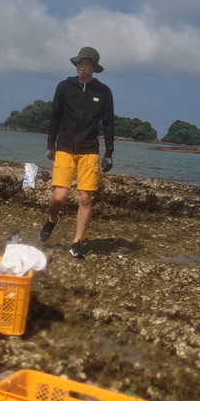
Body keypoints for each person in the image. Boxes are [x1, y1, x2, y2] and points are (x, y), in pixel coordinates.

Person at [40, 45, 114, 259]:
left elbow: (108, 122)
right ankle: (53, 219)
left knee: (84, 198)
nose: (82, 68)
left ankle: (77, 241)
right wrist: (50, 145)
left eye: (87, 64)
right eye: (80, 63)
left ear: (94, 68)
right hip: (64, 147)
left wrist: (109, 152)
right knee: (59, 195)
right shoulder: (64, 87)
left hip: (89, 150)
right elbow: (55, 116)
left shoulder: (103, 92)